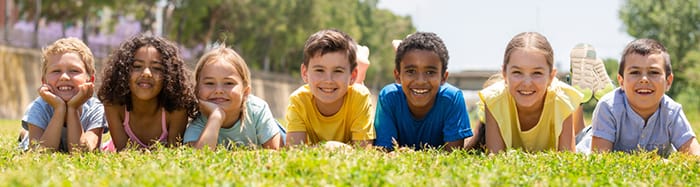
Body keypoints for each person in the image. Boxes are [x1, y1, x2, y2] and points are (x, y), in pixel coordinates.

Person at [577, 38, 700, 156]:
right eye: (635, 72)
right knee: (579, 135)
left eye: (654, 72)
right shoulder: (608, 107)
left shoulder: (672, 111)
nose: (644, 80)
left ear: (668, 81)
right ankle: (578, 99)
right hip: (592, 137)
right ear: (621, 81)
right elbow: (600, 157)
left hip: (610, 114)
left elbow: (695, 155)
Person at [480, 32, 583, 153]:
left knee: (583, 144)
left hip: (576, 132)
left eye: (537, 73)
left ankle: (589, 101)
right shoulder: (494, 100)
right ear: (504, 73)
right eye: (517, 72)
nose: (527, 83)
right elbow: (495, 157)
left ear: (551, 77)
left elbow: (568, 157)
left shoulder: (562, 99)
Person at [374, 32, 472, 151]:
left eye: (430, 72)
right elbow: (384, 150)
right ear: (398, 75)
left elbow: (453, 154)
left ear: (444, 77)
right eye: (411, 71)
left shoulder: (451, 99)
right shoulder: (389, 97)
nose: (420, 81)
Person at [98, 35, 197, 151]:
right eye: (137, 66)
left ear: (170, 75)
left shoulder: (177, 109)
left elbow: (173, 152)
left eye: (156, 68)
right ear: (122, 71)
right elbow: (123, 152)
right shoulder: (114, 105)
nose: (146, 73)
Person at [183, 44, 285, 150]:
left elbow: (276, 151)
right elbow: (198, 157)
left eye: (228, 83)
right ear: (197, 91)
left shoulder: (257, 110)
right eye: (209, 83)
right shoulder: (198, 122)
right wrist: (216, 117)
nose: (218, 91)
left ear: (245, 92)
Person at [285, 29, 375, 148]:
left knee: (357, 84)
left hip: (352, 87)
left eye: (337, 71)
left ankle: (360, 63)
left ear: (352, 75)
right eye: (319, 70)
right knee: (339, 84)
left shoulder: (360, 97)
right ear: (305, 73)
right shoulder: (299, 100)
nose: (328, 80)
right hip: (345, 84)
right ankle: (358, 61)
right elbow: (293, 150)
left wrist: (330, 147)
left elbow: (364, 150)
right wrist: (327, 146)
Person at [18, 37, 106, 152]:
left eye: (74, 71)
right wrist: (59, 109)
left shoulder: (95, 109)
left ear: (90, 79)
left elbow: (81, 152)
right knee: (28, 138)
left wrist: (72, 108)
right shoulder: (38, 107)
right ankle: (25, 134)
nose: (64, 77)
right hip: (39, 138)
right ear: (44, 81)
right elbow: (41, 153)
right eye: (56, 71)